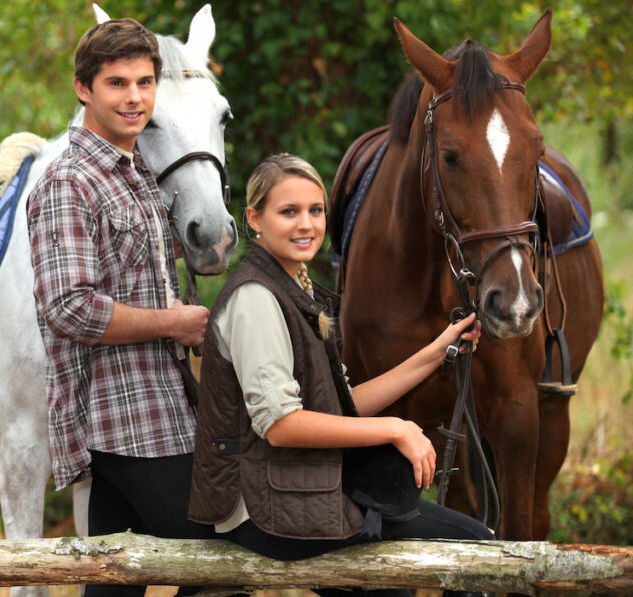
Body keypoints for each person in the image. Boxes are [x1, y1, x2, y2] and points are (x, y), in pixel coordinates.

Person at [188, 154, 494, 597]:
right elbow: (281, 425)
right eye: (288, 212)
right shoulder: (256, 298)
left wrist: (438, 350)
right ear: (254, 218)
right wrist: (393, 428)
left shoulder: (292, 286)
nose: (306, 225)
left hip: (298, 488)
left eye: (315, 211)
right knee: (476, 550)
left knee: (399, 584)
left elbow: (341, 404)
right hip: (265, 506)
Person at [27, 17, 213, 597]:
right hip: (121, 421)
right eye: (117, 83)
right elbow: (70, 308)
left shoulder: (136, 176)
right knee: (221, 562)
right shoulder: (69, 181)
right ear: (83, 89)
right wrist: (173, 322)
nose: (134, 98)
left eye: (144, 82)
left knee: (113, 581)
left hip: (158, 407)